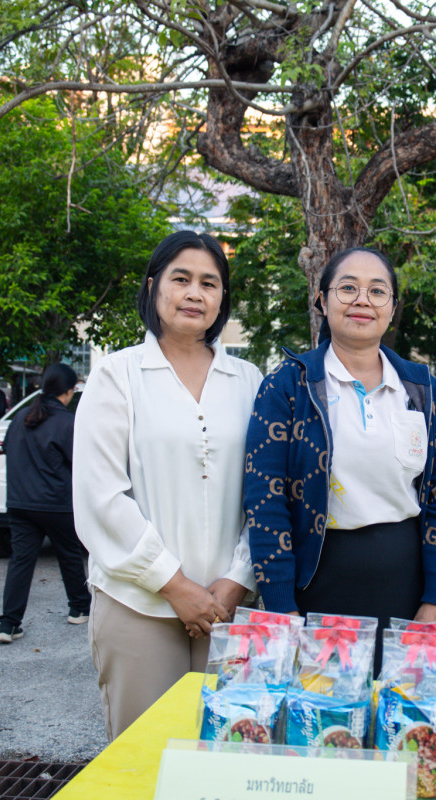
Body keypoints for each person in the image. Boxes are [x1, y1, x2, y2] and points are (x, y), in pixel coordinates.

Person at [73, 230, 262, 740]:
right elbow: (102, 497)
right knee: (145, 759)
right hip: (140, 604)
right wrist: (175, 586)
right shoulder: (117, 376)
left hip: (231, 607)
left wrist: (238, 578)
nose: (194, 293)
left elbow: (265, 494)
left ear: (222, 298)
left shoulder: (249, 381)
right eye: (181, 279)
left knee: (227, 757)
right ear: (153, 286)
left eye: (209, 283)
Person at [245, 247, 436, 656]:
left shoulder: (422, 389)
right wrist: (280, 604)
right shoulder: (288, 386)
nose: (362, 300)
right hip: (314, 588)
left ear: (392, 308)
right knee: (322, 696)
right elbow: (266, 500)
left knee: (401, 695)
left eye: (377, 291)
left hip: (408, 589)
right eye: (348, 288)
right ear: (322, 300)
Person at [0, 363, 90, 643]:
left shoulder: (21, 417)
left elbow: (7, 449)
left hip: (19, 502)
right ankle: (79, 608)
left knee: (21, 562)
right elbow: (81, 462)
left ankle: (8, 624)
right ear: (69, 391)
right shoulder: (67, 422)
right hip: (56, 502)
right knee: (69, 555)